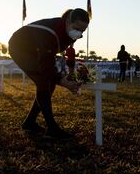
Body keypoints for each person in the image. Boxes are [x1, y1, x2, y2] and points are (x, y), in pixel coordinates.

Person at [8, 8, 89, 139]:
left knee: (49, 83)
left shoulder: (70, 31)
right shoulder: (50, 33)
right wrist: (64, 82)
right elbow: (46, 66)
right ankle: (52, 128)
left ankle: (29, 123)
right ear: (67, 21)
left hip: (36, 50)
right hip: (19, 47)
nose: (79, 33)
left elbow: (64, 55)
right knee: (43, 80)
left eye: (82, 31)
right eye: (77, 28)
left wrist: (70, 73)